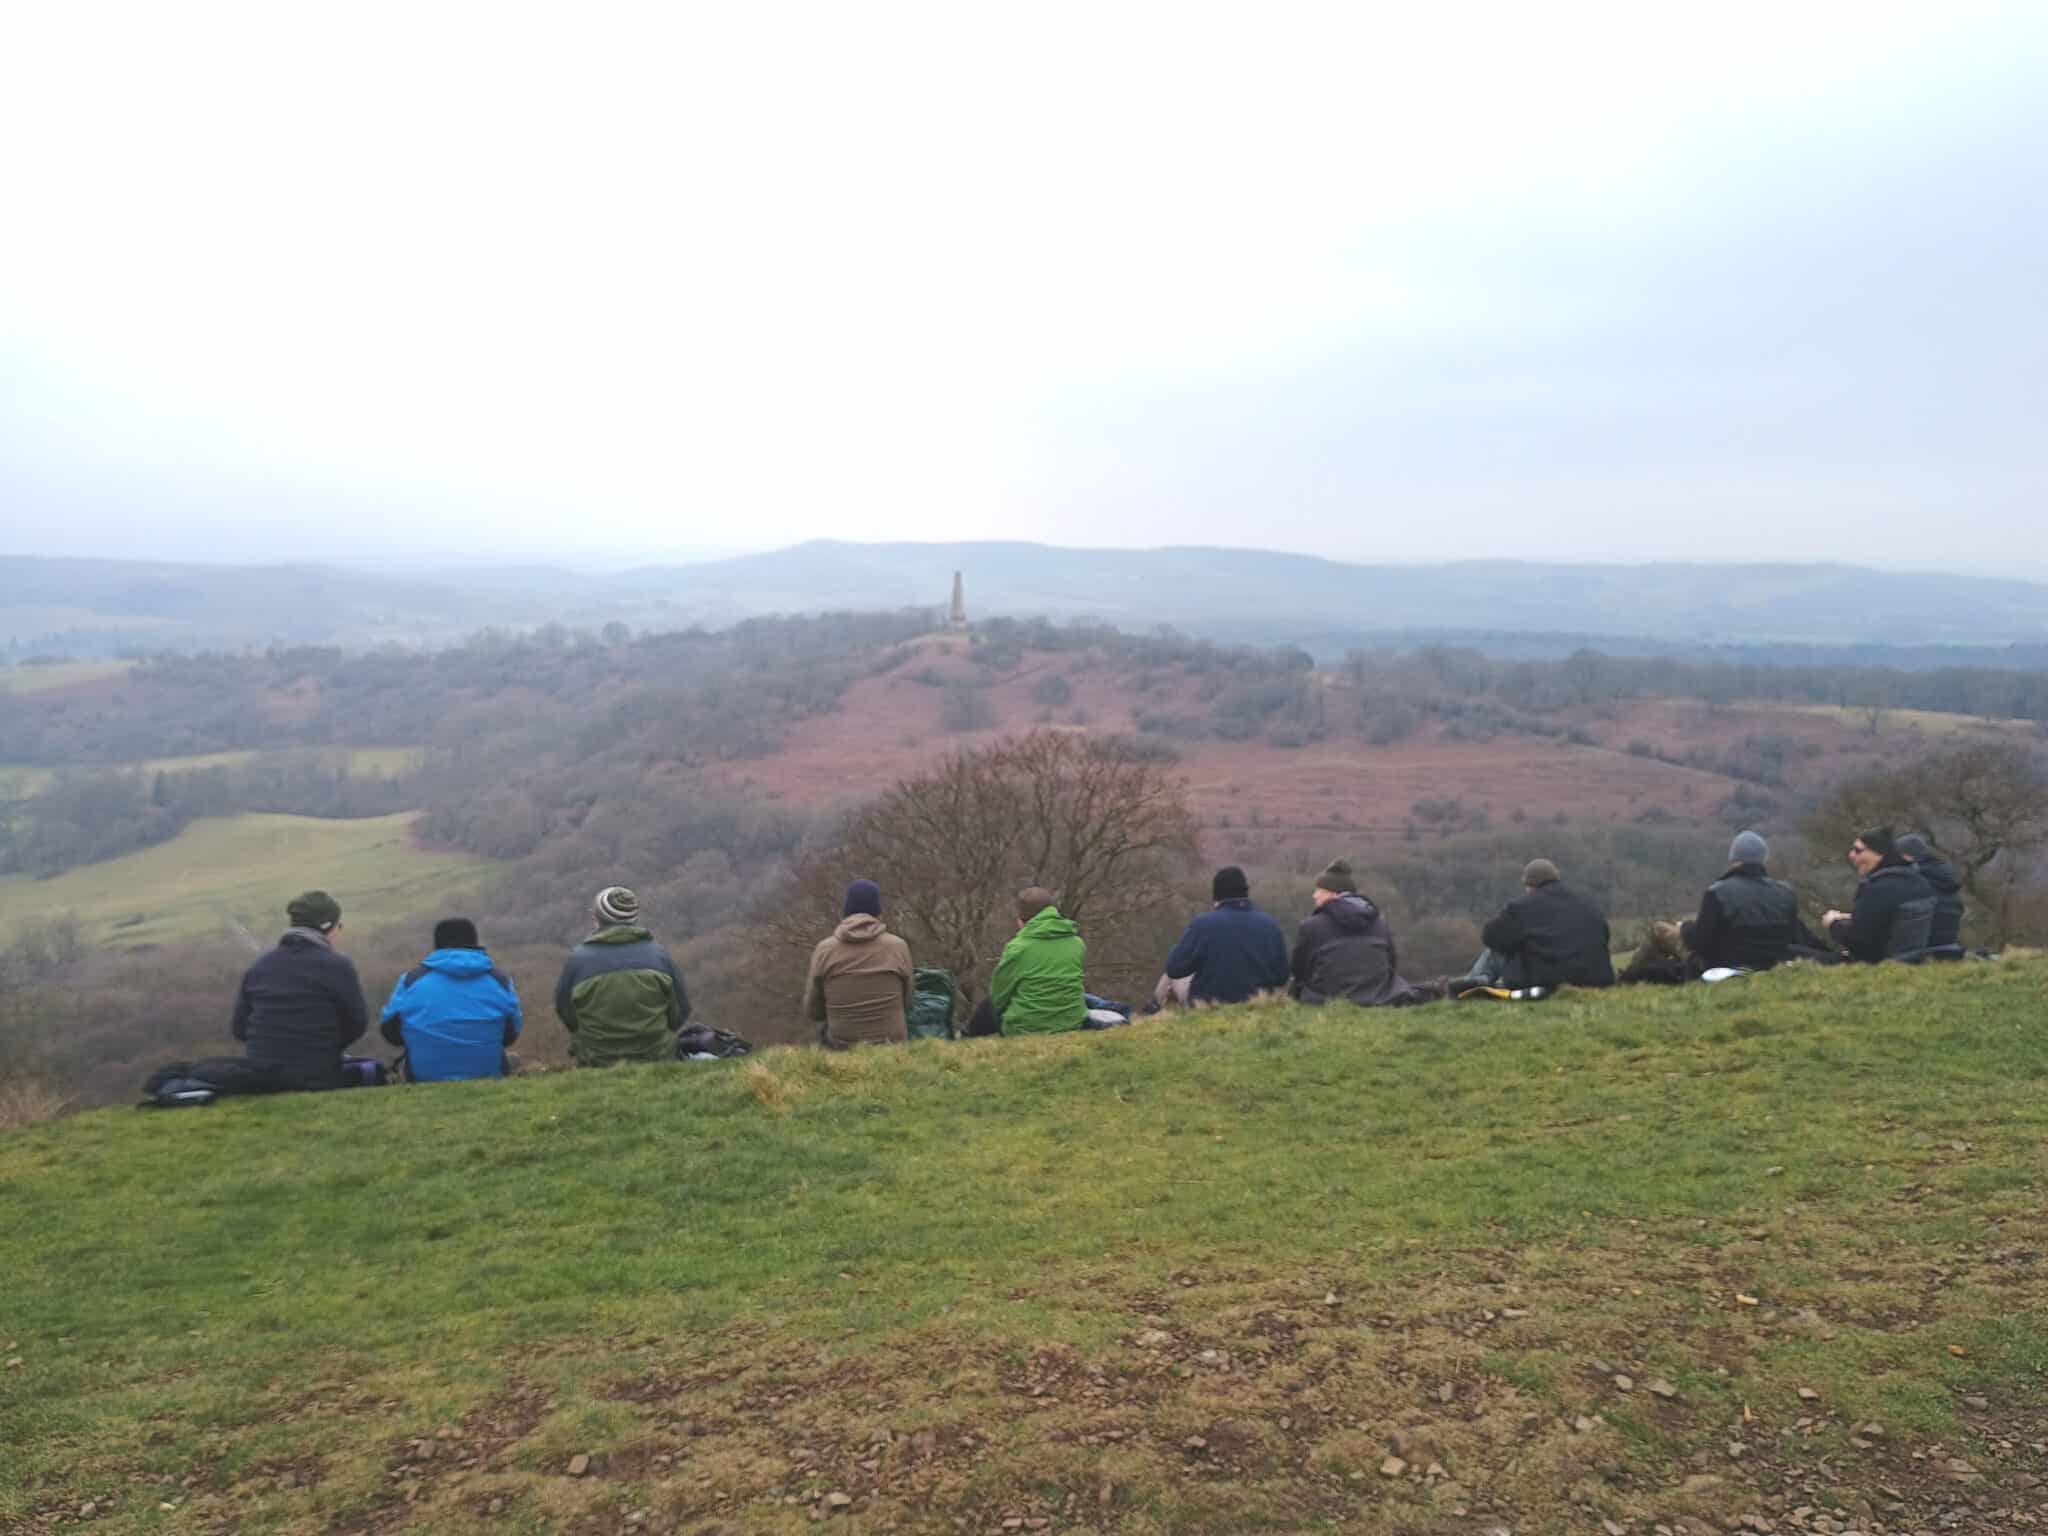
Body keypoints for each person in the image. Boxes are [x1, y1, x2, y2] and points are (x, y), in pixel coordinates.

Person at [230, 890, 370, 1091]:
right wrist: (324, 1045)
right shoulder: (338, 966)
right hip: (318, 1074)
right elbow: (357, 1024)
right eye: (339, 925)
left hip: (261, 1077)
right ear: (328, 926)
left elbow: (239, 1028)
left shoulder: (259, 967)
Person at [554, 885, 690, 1066]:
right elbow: (681, 1010)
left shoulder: (578, 960)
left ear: (597, 918)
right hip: (657, 1055)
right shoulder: (658, 955)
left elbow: (566, 1012)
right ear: (633, 917)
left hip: (596, 1058)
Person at [379, 917, 523, 1081]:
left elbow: (390, 1032)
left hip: (424, 1076)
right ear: (475, 942)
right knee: (514, 1059)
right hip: (487, 1073)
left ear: (437, 945)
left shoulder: (410, 981)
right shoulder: (501, 981)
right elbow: (510, 1035)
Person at [1680, 831, 1830, 973]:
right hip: (1774, 966)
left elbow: (1699, 942)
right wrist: (1831, 953)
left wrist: (1685, 928)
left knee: (1666, 933)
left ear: (1733, 859)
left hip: (1726, 967)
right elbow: (1799, 934)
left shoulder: (1717, 893)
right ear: (1763, 859)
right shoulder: (1785, 893)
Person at [1464, 859, 1615, 990]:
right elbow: (1604, 934)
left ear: (1529, 885)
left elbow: (1491, 937)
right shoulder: (1588, 904)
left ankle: (1472, 984)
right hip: (1597, 980)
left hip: (1546, 980)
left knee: (1498, 947)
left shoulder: (1522, 908)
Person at [1289, 859, 1420, 1006]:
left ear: (1333, 894)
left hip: (1324, 999)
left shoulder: (1311, 926)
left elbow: (1299, 970)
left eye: (1319, 890)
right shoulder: (1380, 924)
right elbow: (1391, 964)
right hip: (1378, 997)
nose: (1315, 895)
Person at [1156, 866, 1290, 1008]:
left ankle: (1155, 1009)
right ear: (1245, 893)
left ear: (1216, 898)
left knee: (1169, 977)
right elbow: (1281, 976)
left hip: (1209, 1004)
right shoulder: (1270, 925)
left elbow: (1174, 968)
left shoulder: (1203, 924)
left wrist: (1178, 948)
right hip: (1258, 1005)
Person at [806, 879, 914, 1048]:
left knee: (824, 1032)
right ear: (878, 912)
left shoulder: (824, 950)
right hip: (892, 1045)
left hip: (842, 1046)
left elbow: (814, 1011)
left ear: (846, 912)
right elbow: (908, 1003)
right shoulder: (898, 947)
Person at [974, 886, 1088, 1036]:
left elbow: (999, 996)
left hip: (1024, 1028)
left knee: (987, 1007)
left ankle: (964, 1038)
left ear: (1021, 920)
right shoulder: (1077, 943)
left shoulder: (1018, 947)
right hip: (1072, 1023)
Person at [1822, 827, 1936, 962]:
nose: (1851, 855)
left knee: (1797, 954)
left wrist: (1833, 923)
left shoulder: (1877, 888)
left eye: (1858, 850)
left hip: (1880, 964)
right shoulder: (1918, 882)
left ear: (1879, 853)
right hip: (1910, 960)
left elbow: (1859, 940)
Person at [1897, 834, 1965, 948]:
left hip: (1919, 951)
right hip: (1947, 948)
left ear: (1907, 857)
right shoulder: (1945, 878)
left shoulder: (1914, 880)